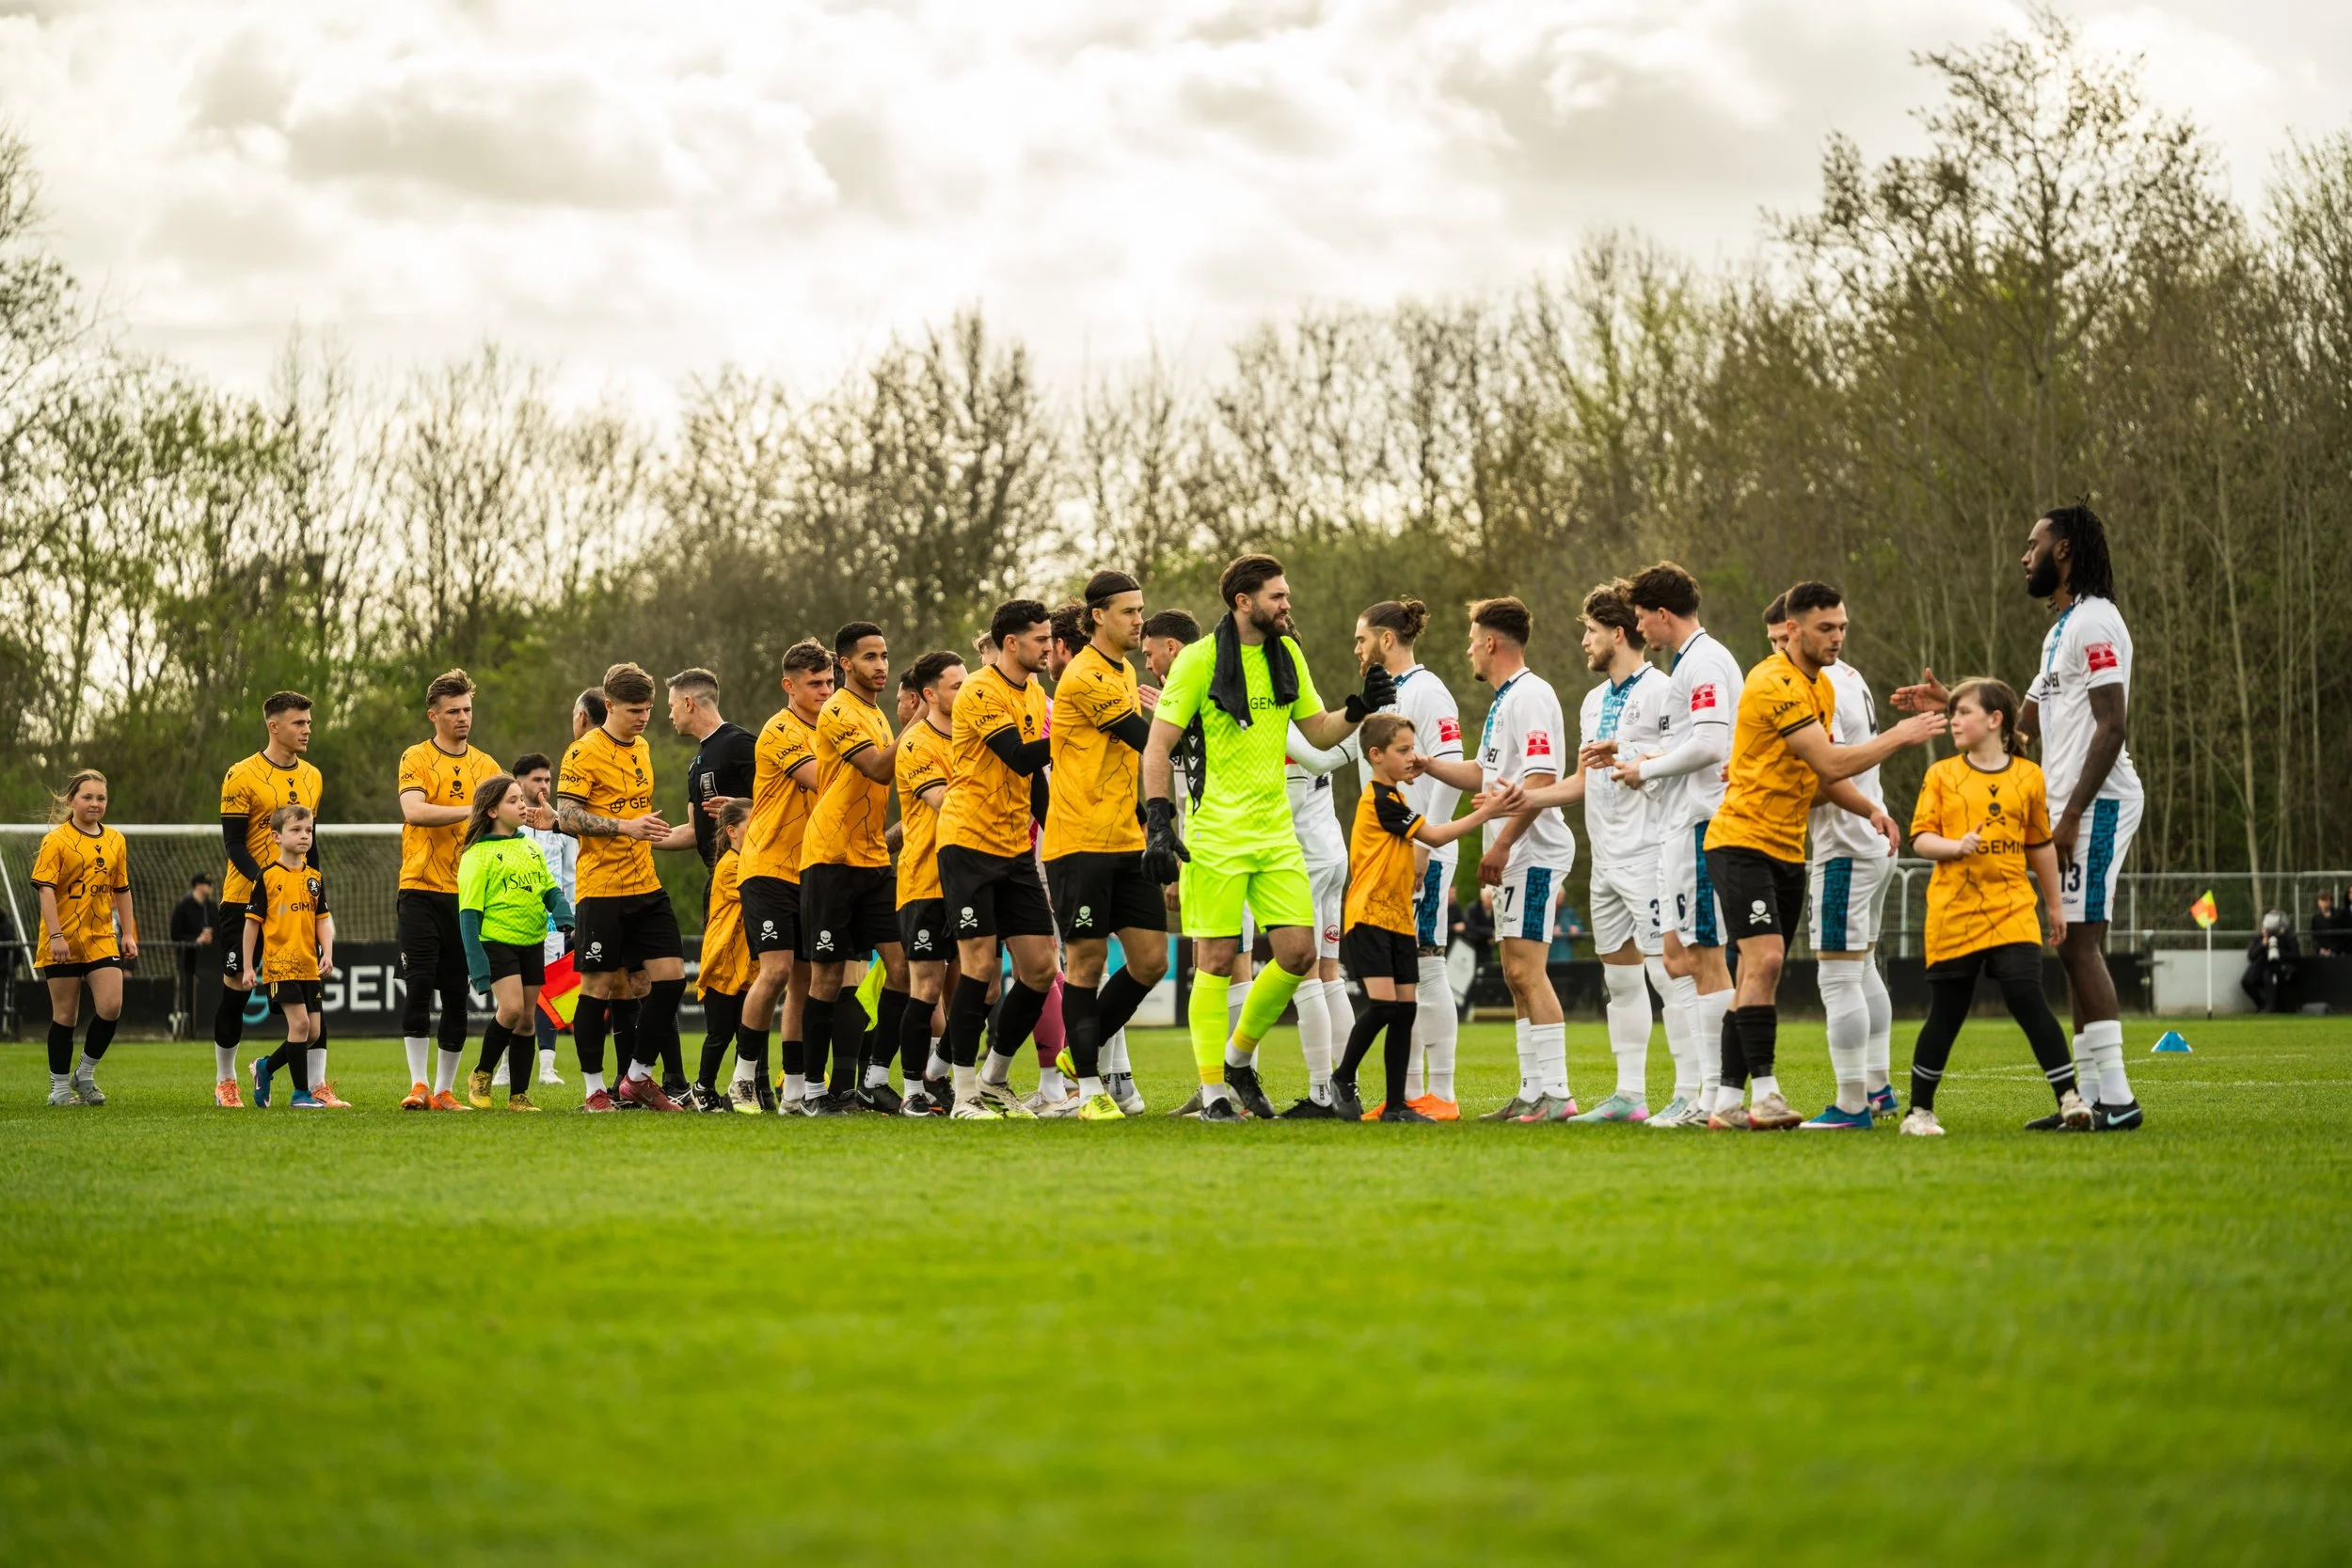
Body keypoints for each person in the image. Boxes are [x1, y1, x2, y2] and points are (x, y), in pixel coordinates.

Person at [1896, 503, 2146, 1132]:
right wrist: (1957, 703)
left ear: (2063, 551)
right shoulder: (2061, 628)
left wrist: (2069, 818)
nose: (2023, 555)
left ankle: (2117, 1098)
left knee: (2081, 943)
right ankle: (2086, 1100)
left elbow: (2113, 726)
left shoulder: (2094, 623)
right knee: (2074, 947)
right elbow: (2021, 728)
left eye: (2033, 544)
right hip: (2065, 806)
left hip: (2099, 801)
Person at [1142, 553, 1391, 1122]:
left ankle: (1237, 1057)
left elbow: (1319, 731)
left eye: (1286, 594)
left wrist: (1359, 708)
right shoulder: (1199, 661)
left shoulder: (1288, 655)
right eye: (1277, 596)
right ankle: (1213, 1095)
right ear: (1243, 602)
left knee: (1299, 955)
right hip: (1215, 837)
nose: (1287, 604)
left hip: (1276, 834)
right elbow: (1158, 747)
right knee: (1215, 959)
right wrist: (1160, 821)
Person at [1702, 581, 1939, 1130]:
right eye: (1826, 628)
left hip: (1787, 848)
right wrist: (1901, 736)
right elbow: (1830, 763)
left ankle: (1724, 1105)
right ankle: (1768, 1095)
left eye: (1842, 627)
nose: (1837, 637)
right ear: (1793, 629)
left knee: (1755, 978)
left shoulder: (1824, 689)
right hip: (1741, 841)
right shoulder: (1773, 681)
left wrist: (1868, 811)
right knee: (1765, 963)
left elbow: (1824, 777)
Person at [1510, 581, 1678, 1123]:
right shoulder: (1592, 700)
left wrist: (1631, 754)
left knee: (1667, 974)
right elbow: (1584, 781)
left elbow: (1682, 757)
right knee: (1621, 980)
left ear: (1619, 633)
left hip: (1651, 854)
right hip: (1603, 860)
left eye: (1590, 631)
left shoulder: (1662, 691)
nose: (1584, 641)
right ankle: (1630, 1096)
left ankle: (1691, 1093)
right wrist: (1522, 798)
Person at [1407, 596, 1579, 1122]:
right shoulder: (1506, 700)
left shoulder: (1531, 696)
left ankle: (1558, 1093)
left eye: (1470, 639)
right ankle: (1531, 1092)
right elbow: (1482, 774)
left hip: (1533, 852)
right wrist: (1427, 764)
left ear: (1490, 642)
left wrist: (1503, 843)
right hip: (1515, 855)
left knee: (1529, 971)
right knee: (1514, 973)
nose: (1467, 650)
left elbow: (1542, 781)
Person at [1899, 678, 2089, 1135]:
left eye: (1962, 712)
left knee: (2027, 995)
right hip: (1954, 910)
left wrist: (2055, 907)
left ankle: (2070, 1100)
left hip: (2012, 908)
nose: (1954, 721)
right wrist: (1953, 846)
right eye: (1953, 712)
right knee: (1947, 1011)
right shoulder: (1941, 774)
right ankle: (1918, 1113)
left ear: (1995, 720)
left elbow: (2040, 844)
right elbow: (1921, 838)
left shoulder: (2029, 776)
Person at [1754, 596, 1904, 1131]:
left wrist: (1768, 785)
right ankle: (1878, 1086)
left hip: (1846, 845)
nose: (1778, 652)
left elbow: (1827, 774)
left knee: (1836, 975)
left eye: (1781, 641)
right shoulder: (1845, 674)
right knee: (1861, 967)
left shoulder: (1822, 686)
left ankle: (1850, 1104)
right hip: (1870, 836)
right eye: (1773, 642)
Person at [1613, 563, 1744, 1130]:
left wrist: (1651, 769)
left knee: (1705, 958)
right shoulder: (1685, 666)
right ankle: (1699, 1092)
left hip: (1700, 824)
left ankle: (1718, 1096)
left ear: (1662, 615)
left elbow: (1712, 744)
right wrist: (1640, 763)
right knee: (1675, 958)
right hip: (1674, 825)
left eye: (1641, 616)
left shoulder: (1707, 660)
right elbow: (1681, 744)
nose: (1638, 626)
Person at [1333, 715, 1511, 1122]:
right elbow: (1433, 836)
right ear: (1376, 756)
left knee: (1406, 1011)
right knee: (1382, 1007)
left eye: (1413, 748)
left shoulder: (1395, 798)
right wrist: (1487, 813)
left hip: (1398, 919)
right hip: (1369, 917)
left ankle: (1397, 1105)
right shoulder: (1378, 799)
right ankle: (1342, 1077)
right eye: (1403, 750)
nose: (1412, 757)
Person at [1042, 571, 1173, 1122]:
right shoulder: (1086, 675)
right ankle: (1091, 1087)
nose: (1139, 619)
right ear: (1098, 616)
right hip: (1080, 843)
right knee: (1087, 963)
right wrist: (1188, 720)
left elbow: (1133, 764)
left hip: (1125, 841)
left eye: (1141, 610)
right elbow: (1147, 743)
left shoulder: (1122, 672)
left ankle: (1078, 1055)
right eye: (1128, 611)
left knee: (1150, 962)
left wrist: (1152, 825)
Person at [940, 600, 1057, 1118]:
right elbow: (1019, 755)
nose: (1048, 648)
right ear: (1011, 643)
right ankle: (962, 1091)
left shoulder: (1034, 692)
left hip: (1014, 849)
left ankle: (994, 1078)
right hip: (968, 844)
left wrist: (1056, 840)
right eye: (1040, 640)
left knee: (1038, 968)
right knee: (981, 968)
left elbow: (1032, 779)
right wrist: (1072, 731)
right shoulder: (979, 690)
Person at [1348, 598, 1467, 1114]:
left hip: (1422, 851)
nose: (1356, 648)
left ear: (1386, 640)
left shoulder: (1428, 690)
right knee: (1405, 979)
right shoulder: (1382, 698)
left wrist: (1422, 845)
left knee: (1428, 967)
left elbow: (1450, 766)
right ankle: (1406, 1094)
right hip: (1389, 857)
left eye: (1361, 639)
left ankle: (1442, 1092)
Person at [555, 662, 689, 1112]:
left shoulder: (645, 747)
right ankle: (594, 1089)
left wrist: (651, 830)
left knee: (670, 980)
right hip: (601, 888)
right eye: (634, 710)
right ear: (608, 705)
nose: (643, 717)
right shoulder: (584, 751)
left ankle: (636, 1078)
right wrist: (624, 827)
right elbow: (568, 816)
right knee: (595, 988)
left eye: (648, 709)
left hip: (645, 885)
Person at [800, 622, 915, 1113]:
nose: (882, 665)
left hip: (871, 860)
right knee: (826, 980)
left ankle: (871, 1078)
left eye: (885, 655)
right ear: (845, 663)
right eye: (870, 657)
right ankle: (810, 1091)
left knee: (903, 969)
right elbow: (877, 768)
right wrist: (921, 721)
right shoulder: (837, 711)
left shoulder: (879, 716)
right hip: (829, 858)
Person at [395, 670, 513, 1113]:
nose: (463, 718)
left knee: (455, 992)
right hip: (420, 887)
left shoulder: (487, 766)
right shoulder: (416, 757)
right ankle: (419, 1084)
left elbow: (503, 822)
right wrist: (475, 808)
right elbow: (414, 810)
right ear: (434, 716)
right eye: (453, 712)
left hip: (466, 893)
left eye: (467, 710)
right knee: (420, 984)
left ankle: (444, 1091)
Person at [213, 691, 327, 1108]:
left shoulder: (313, 776)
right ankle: (226, 1079)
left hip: (296, 907)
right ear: (274, 725)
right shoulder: (241, 775)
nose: (307, 729)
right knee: (235, 994)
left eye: (309, 723)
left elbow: (309, 843)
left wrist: (313, 891)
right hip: (244, 901)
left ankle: (316, 1084)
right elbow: (234, 844)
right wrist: (270, 881)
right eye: (299, 723)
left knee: (312, 992)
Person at [735, 643, 832, 1114]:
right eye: (815, 684)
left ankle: (794, 1091)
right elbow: (823, 779)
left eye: (829, 682)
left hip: (810, 869)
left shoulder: (832, 727)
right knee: (773, 972)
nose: (825, 691)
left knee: (804, 981)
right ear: (789, 686)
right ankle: (742, 1080)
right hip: (768, 865)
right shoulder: (779, 730)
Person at [456, 773, 573, 1111]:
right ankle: (481, 1073)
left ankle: (518, 1096)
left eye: (522, 798)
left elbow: (549, 889)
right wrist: (477, 964)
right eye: (514, 800)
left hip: (532, 941)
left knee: (526, 1020)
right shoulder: (477, 856)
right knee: (510, 1010)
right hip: (497, 942)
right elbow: (468, 916)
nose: (523, 805)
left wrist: (563, 912)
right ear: (491, 811)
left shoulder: (530, 847)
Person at [31, 770, 135, 1106]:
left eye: (101, 798)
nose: (95, 803)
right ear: (71, 799)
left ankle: (85, 1073)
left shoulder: (116, 840)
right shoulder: (56, 840)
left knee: (111, 1006)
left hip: (101, 935)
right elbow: (46, 891)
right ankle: (59, 1089)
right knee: (65, 1015)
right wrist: (57, 935)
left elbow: (122, 889)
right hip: (62, 938)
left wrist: (129, 934)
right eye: (87, 797)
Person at [892, 652, 964, 1116]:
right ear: (930, 695)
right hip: (924, 881)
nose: (968, 692)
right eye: (957, 686)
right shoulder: (916, 743)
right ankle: (913, 1088)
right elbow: (945, 801)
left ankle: (945, 1075)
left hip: (970, 882)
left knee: (980, 989)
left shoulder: (974, 738)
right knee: (925, 988)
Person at [243, 804, 336, 1110]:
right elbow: (251, 925)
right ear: (276, 837)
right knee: (299, 1027)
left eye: (308, 830)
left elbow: (321, 918)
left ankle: (265, 1068)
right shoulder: (267, 878)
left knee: (313, 1032)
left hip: (309, 965)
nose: (304, 836)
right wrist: (247, 966)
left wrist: (328, 952)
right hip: (280, 966)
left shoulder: (314, 878)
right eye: (296, 830)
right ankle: (300, 1095)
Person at [503, 752, 573, 1088]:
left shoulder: (559, 823)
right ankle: (505, 1066)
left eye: (548, 779)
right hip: (510, 921)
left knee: (547, 991)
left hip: (550, 925)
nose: (544, 786)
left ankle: (547, 1065)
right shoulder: (505, 823)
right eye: (537, 780)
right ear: (519, 782)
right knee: (511, 995)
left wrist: (571, 916)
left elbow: (569, 873)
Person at [689, 800, 755, 1109]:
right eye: (752, 823)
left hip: (745, 968)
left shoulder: (748, 860)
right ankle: (702, 1088)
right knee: (720, 1035)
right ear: (732, 831)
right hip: (722, 966)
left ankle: (744, 1090)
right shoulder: (731, 865)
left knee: (746, 1033)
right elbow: (757, 895)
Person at [167, 873, 215, 1039]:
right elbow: (175, 934)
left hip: (209, 961)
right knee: (188, 992)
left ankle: (207, 1028)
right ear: (197, 885)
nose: (210, 887)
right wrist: (196, 940)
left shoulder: (212, 907)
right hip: (188, 959)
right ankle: (188, 1029)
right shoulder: (183, 906)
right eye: (206, 883)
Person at [2242, 912, 2299, 1014]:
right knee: (2247, 981)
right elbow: (2251, 956)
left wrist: (2279, 953)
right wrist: (2263, 945)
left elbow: (2295, 955)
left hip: (2280, 965)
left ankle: (2271, 1007)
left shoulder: (2288, 936)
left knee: (2269, 976)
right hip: (2263, 963)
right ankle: (2261, 1004)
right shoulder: (2260, 937)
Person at [2314, 889, 2349, 958]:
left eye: (2324, 900)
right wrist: (2320, 949)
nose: (2322, 903)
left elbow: (2342, 936)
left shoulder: (2339, 915)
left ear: (2330, 901)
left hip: (2337, 954)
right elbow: (2314, 937)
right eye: (2320, 900)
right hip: (2321, 954)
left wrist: (2332, 950)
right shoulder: (2316, 918)